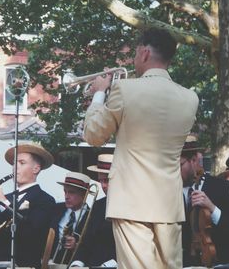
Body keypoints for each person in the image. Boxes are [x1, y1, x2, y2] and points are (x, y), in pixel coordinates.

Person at [83, 28, 199, 269]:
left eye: (136, 54)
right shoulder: (190, 98)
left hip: (130, 201)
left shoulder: (125, 89)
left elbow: (94, 135)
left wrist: (99, 95)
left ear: (145, 53)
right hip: (168, 202)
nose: (134, 60)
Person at [0, 142, 56, 269]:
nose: (15, 167)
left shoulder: (45, 200)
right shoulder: (4, 198)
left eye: (22, 163)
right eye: (14, 163)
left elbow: (31, 234)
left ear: (36, 168)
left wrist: (4, 203)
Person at [180, 136, 229, 266]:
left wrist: (212, 208)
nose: (175, 171)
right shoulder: (172, 192)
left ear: (194, 160)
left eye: (180, 165)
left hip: (219, 263)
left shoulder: (223, 188)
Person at [70, 154, 117, 268]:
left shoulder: (133, 207)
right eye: (100, 180)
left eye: (107, 180)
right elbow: (86, 241)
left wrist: (109, 265)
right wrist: (77, 263)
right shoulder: (98, 205)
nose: (103, 186)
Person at [50, 172, 91, 265]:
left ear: (85, 194)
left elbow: (93, 247)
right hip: (51, 263)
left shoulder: (92, 216)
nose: (66, 196)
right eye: (65, 191)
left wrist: (76, 246)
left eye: (72, 192)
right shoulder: (56, 209)